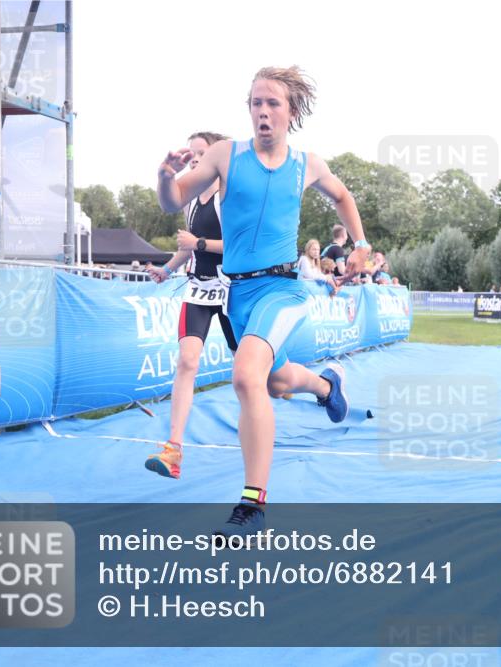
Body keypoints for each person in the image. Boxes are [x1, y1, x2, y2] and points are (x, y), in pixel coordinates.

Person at [155, 66, 370, 535]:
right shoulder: (224, 155)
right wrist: (164, 174)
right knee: (273, 382)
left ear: (291, 112)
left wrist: (361, 243)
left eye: (273, 103)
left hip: (283, 290)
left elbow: (342, 196)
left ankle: (252, 505)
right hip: (240, 295)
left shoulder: (306, 163)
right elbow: (173, 201)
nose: (263, 112)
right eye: (256, 103)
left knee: (246, 375)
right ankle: (328, 387)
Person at [145, 131, 238, 479]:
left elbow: (237, 248)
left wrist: (199, 243)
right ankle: (173, 449)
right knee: (186, 361)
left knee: (267, 377)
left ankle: (322, 386)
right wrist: (167, 269)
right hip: (198, 289)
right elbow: (187, 246)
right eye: (192, 153)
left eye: (203, 153)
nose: (196, 159)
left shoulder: (229, 196)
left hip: (232, 290)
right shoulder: (190, 198)